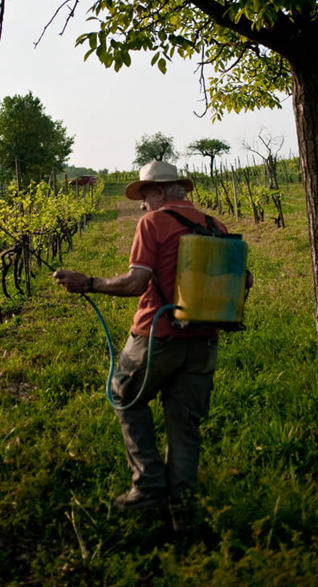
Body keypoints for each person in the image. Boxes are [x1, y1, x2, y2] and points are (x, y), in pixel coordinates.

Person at [54, 159, 241, 518]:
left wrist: (89, 283)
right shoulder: (216, 225)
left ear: (158, 192)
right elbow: (242, 281)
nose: (141, 204)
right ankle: (183, 504)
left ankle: (149, 486)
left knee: (125, 394)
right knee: (185, 422)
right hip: (204, 341)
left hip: (157, 335)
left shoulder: (153, 223)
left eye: (144, 195)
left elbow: (136, 283)